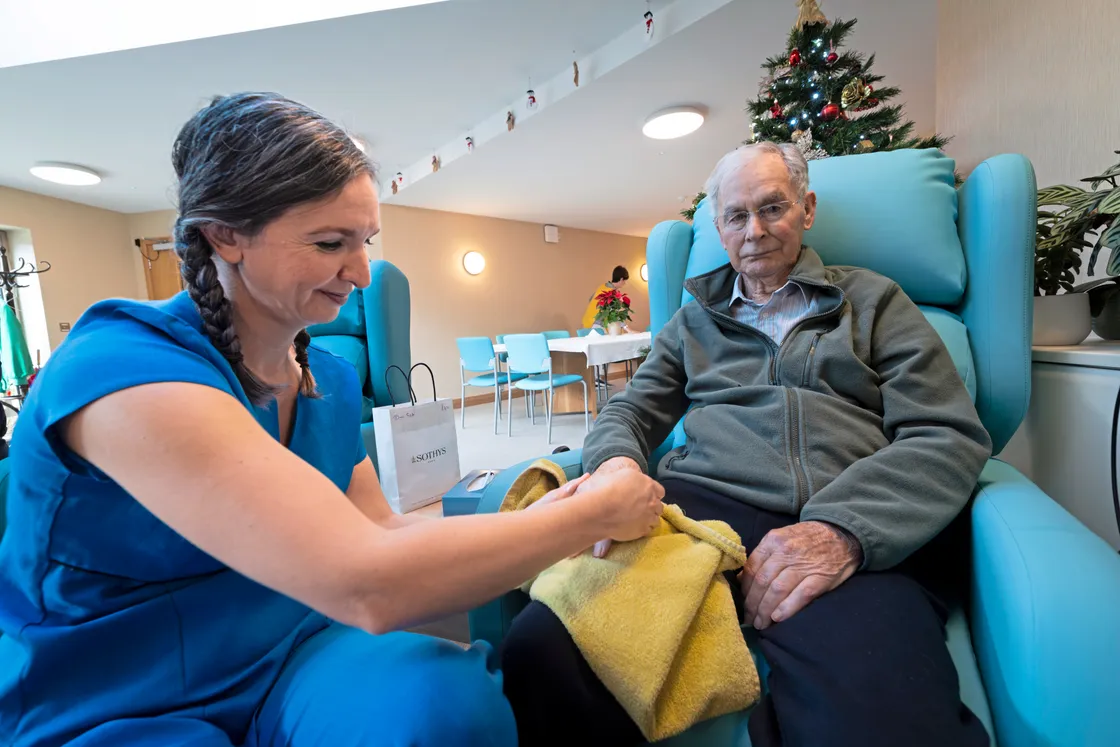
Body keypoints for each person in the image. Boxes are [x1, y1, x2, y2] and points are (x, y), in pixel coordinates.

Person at [0, 93, 666, 747]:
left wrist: (546, 519)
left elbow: (379, 528)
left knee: (445, 706)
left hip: (288, 652)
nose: (363, 271)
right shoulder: (120, 369)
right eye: (329, 242)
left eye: (366, 240)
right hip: (115, 695)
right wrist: (589, 515)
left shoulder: (332, 381)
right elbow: (365, 579)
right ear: (224, 235)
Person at [499, 142, 994, 747]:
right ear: (719, 227)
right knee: (543, 649)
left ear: (807, 209)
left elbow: (947, 432)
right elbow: (629, 410)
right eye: (736, 216)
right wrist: (617, 466)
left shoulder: (873, 300)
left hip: (846, 512)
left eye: (772, 208)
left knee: (884, 721)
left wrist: (841, 531)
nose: (754, 232)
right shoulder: (690, 323)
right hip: (700, 512)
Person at [582, 265, 631, 331]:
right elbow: (614, 313)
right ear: (621, 279)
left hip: (587, 321)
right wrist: (627, 329)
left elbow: (590, 300)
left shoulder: (602, 287)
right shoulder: (612, 292)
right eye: (625, 281)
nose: (624, 283)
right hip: (596, 325)